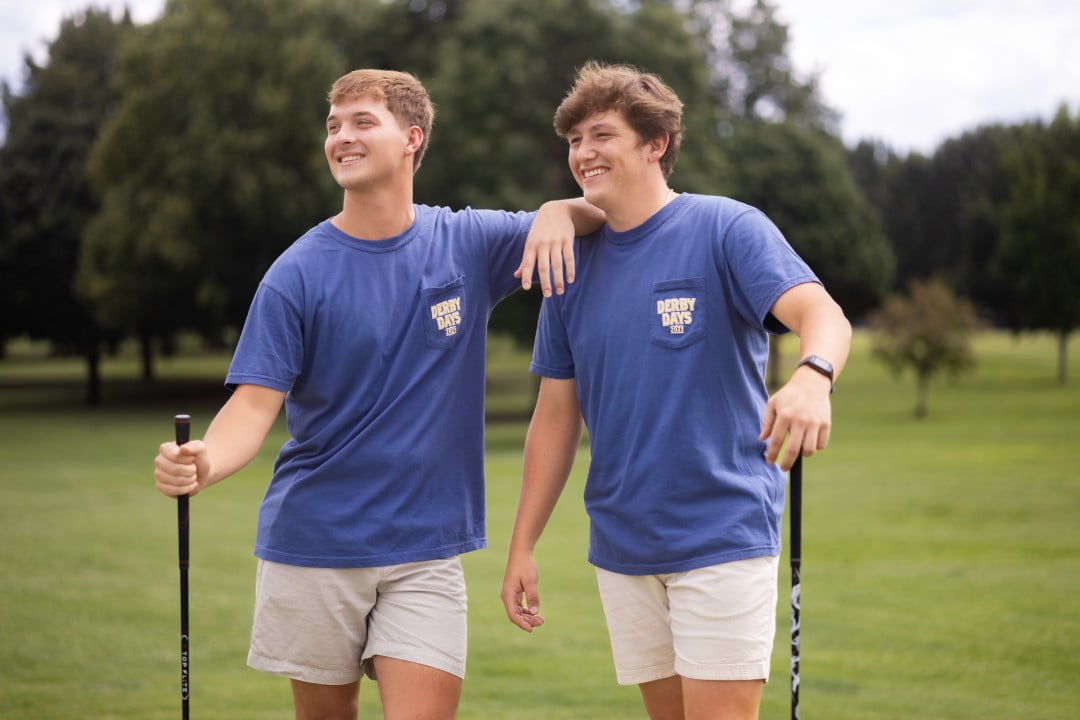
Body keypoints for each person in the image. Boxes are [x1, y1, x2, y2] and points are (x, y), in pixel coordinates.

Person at [153, 68, 603, 720]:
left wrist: (560, 209)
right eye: (334, 125)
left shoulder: (468, 243)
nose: (342, 137)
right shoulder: (296, 275)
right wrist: (205, 462)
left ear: (412, 138)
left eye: (362, 121)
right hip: (314, 545)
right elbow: (252, 407)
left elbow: (597, 215)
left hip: (426, 552)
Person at [500, 61, 852, 720]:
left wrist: (814, 375)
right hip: (624, 545)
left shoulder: (726, 229)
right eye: (573, 140)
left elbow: (821, 314)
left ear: (655, 143)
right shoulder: (567, 266)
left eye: (600, 135)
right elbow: (554, 419)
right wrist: (522, 546)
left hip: (723, 533)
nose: (582, 153)